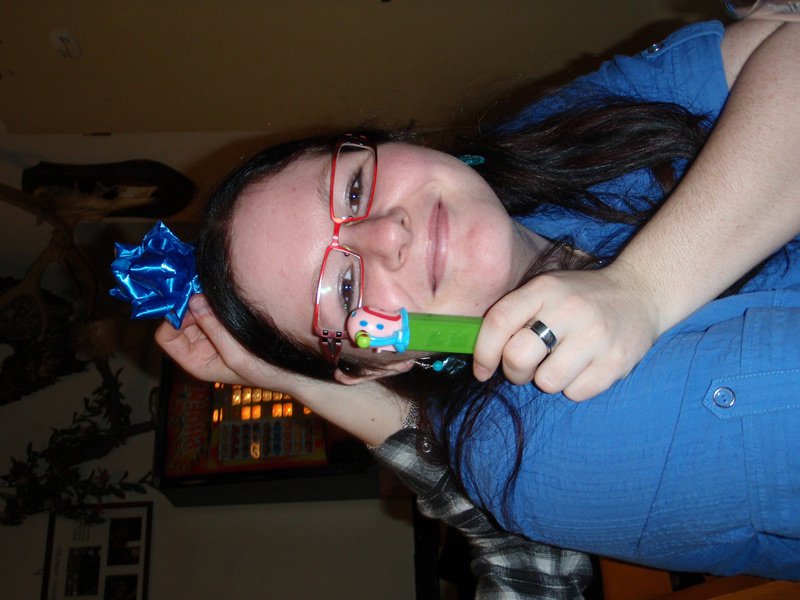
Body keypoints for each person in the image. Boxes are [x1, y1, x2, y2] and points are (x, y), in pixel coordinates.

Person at [154, 18, 800, 583]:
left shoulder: (533, 140)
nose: (385, 234)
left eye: (352, 190)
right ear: (381, 358)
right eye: (345, 289)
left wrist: (647, 283)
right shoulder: (546, 448)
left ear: (392, 142)